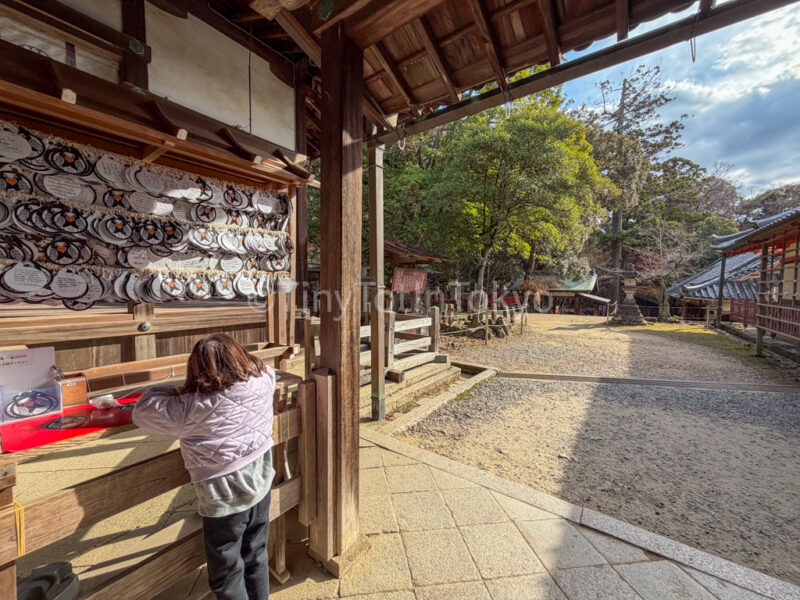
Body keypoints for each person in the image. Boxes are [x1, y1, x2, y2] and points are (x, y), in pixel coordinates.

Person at [133, 334, 276, 600]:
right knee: (256, 553)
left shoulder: (191, 407)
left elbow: (142, 410)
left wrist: (178, 389)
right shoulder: (264, 380)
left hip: (224, 499)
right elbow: (266, 368)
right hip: (261, 481)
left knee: (227, 573)